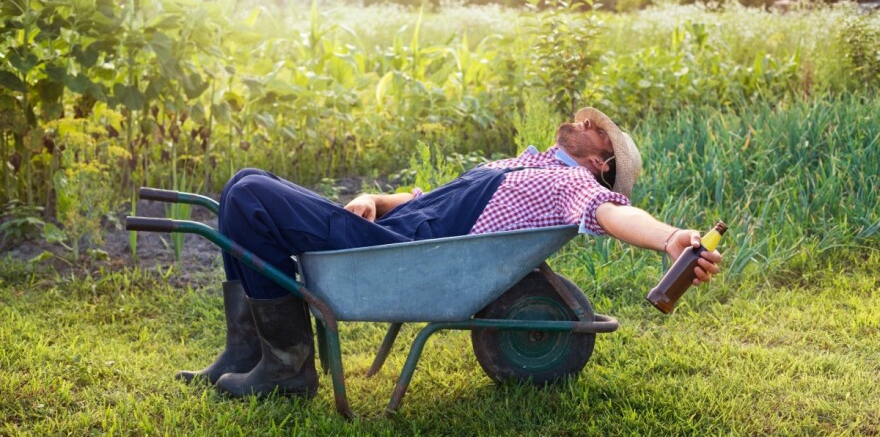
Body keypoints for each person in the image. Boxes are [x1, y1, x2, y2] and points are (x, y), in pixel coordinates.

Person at [175, 107, 723, 398]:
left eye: (594, 130)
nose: (584, 122)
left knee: (248, 195)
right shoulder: (524, 163)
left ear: (599, 165)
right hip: (393, 234)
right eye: (591, 121)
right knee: (244, 183)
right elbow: (432, 199)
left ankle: (288, 370)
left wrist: (670, 237)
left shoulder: (570, 185)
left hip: (400, 253)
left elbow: (613, 213)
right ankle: (247, 355)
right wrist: (377, 198)